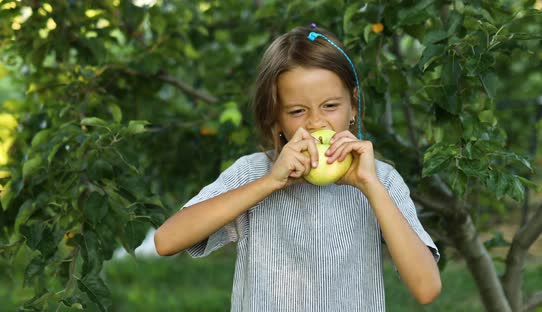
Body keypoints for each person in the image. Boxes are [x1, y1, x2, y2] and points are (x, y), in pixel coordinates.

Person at [154, 25, 441, 311]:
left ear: (353, 106)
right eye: (297, 111)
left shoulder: (381, 180)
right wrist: (270, 183)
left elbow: (427, 288)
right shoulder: (254, 173)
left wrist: (371, 187)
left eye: (330, 106)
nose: (316, 123)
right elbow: (166, 241)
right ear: (275, 119)